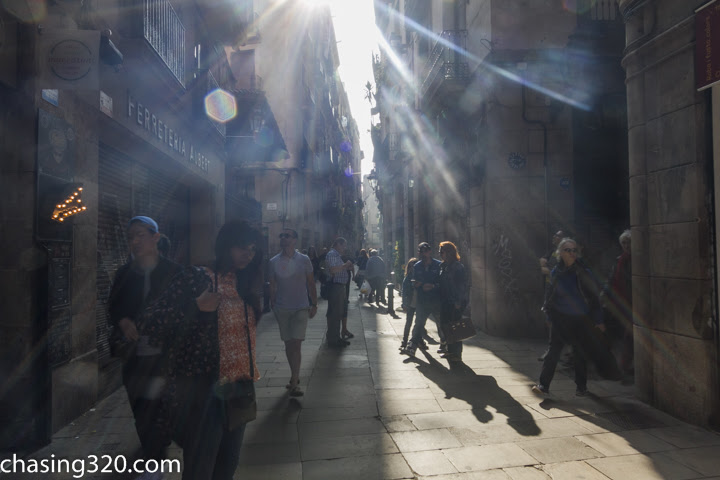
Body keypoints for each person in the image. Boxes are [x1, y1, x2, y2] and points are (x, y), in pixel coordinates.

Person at [138, 221, 263, 480]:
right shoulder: (196, 277)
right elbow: (150, 321)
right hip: (203, 388)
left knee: (227, 466)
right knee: (200, 468)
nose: (248, 254)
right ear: (226, 245)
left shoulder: (243, 283)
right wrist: (194, 306)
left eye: (252, 249)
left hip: (239, 385)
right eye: (242, 247)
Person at [108, 216, 182, 465]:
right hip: (135, 355)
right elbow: (113, 307)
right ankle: (153, 456)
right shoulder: (124, 274)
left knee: (165, 407)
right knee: (140, 407)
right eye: (131, 237)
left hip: (166, 356)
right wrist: (123, 321)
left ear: (155, 237)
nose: (135, 241)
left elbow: (184, 310)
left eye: (141, 235)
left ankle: (159, 444)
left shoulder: (174, 272)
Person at [532, 237, 621, 397]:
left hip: (580, 318)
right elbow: (550, 294)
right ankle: (543, 385)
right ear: (560, 253)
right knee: (553, 352)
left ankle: (581, 387)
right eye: (568, 250)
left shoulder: (583, 272)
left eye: (574, 250)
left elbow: (593, 298)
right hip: (560, 317)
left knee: (579, 352)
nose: (572, 253)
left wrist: (599, 320)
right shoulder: (556, 272)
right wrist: (549, 316)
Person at [269, 228, 318, 396]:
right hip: (282, 308)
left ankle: (295, 382)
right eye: (281, 236)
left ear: (295, 240)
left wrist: (314, 304)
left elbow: (311, 283)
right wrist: (273, 303)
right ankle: (293, 375)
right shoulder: (273, 261)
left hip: (301, 307)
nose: (283, 238)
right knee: (289, 344)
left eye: (287, 236)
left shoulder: (304, 260)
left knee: (296, 344)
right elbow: (272, 285)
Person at [601, 229, 633, 377]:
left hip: (632, 303)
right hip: (618, 302)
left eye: (629, 242)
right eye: (624, 243)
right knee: (613, 333)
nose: (626, 245)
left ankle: (624, 366)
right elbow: (611, 279)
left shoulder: (638, 260)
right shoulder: (620, 259)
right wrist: (604, 295)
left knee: (629, 335)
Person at [404, 242, 443, 357]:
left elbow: (443, 282)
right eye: (421, 252)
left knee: (441, 324)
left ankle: (445, 343)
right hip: (423, 300)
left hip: (436, 299)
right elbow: (413, 282)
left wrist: (433, 286)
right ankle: (412, 346)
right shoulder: (417, 266)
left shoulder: (438, 265)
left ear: (429, 251)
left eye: (425, 251)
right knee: (419, 323)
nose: (423, 254)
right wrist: (419, 285)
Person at [537, 229, 565, 361]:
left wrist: (547, 269)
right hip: (549, 290)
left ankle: (557, 350)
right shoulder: (552, 251)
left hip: (558, 292)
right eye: (554, 235)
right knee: (549, 320)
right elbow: (542, 261)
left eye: (557, 236)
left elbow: (553, 270)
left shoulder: (564, 254)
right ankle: (552, 349)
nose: (554, 237)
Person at [438, 241, 468, 362]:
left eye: (442, 252)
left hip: (454, 302)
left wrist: (458, 301)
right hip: (444, 301)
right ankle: (450, 351)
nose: (440, 254)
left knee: (455, 328)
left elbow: (462, 286)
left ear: (449, 252)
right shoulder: (443, 266)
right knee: (445, 326)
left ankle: (456, 354)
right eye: (440, 252)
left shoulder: (457, 267)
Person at [324, 237, 354, 347]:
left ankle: (335, 337)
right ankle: (333, 340)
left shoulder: (336, 255)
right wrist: (345, 265)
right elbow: (333, 269)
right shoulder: (332, 254)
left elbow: (338, 268)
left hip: (339, 286)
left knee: (337, 312)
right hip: (336, 286)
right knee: (335, 313)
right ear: (338, 244)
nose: (344, 248)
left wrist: (346, 268)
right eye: (343, 245)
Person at [399, 257, 418, 353]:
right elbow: (404, 292)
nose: (412, 268)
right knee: (408, 323)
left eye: (414, 266)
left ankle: (418, 341)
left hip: (419, 303)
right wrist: (404, 304)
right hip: (410, 303)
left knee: (419, 324)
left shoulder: (420, 276)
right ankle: (404, 341)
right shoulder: (407, 278)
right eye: (411, 266)